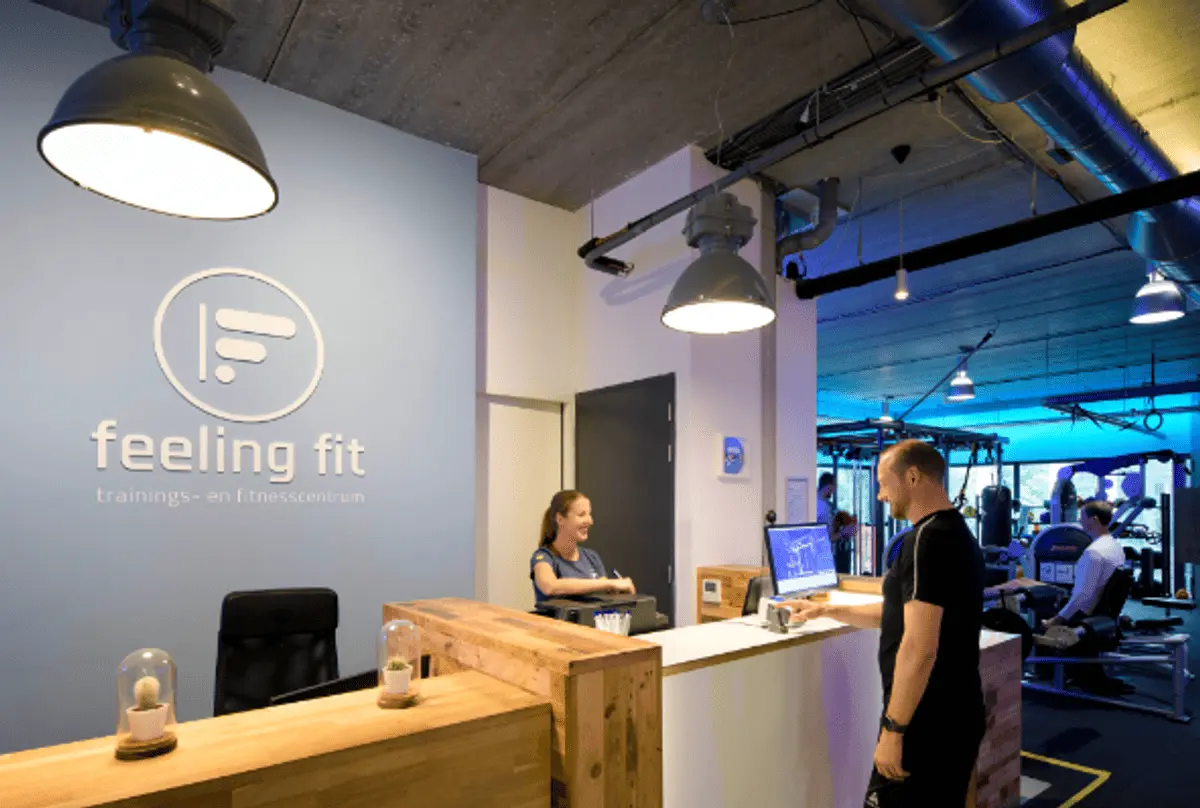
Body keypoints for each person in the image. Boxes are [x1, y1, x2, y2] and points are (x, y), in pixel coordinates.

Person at [779, 440, 984, 807]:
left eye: (884, 483)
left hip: (926, 722)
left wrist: (894, 730)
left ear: (912, 477)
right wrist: (823, 611)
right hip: (955, 714)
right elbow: (901, 615)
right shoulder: (957, 533)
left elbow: (920, 647)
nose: (881, 495)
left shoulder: (926, 539)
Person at [530, 490, 635, 602]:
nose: (590, 521)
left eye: (589, 514)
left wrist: (616, 590)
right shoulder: (543, 557)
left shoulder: (591, 557)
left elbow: (602, 589)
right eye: (581, 515)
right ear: (560, 519)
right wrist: (610, 583)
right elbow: (550, 586)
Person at [1044, 500, 1123, 628]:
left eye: (1082, 517)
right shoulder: (1115, 546)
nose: (1080, 520)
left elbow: (1083, 595)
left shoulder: (1093, 552)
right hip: (1101, 611)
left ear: (1094, 520)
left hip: (1082, 615)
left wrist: (1056, 620)